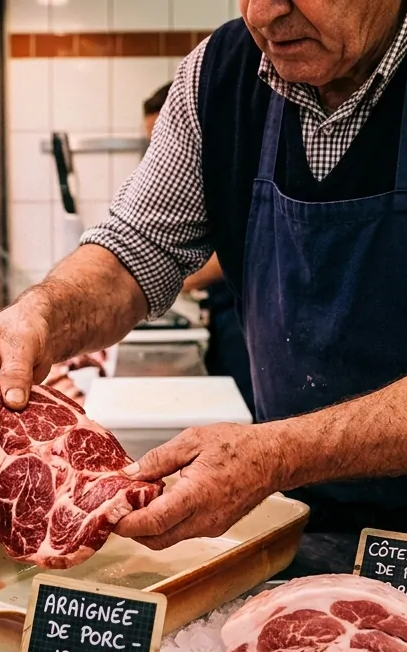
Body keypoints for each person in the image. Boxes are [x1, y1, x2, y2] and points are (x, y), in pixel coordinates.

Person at [0, 0, 407, 547]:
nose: (264, 13)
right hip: (295, 521)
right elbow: (136, 248)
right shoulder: (220, 73)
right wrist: (41, 313)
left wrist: (274, 454)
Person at [146, 82, 255, 414]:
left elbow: (245, 248)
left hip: (245, 318)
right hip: (224, 313)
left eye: (160, 138)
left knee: (245, 415)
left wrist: (179, 279)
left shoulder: (238, 163)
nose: (158, 151)